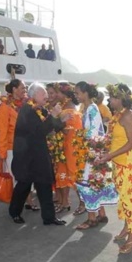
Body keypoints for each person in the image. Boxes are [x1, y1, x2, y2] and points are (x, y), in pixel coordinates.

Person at [8, 83, 66, 226]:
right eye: (43, 94)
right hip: (26, 158)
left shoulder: (40, 109)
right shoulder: (27, 109)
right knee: (23, 187)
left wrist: (61, 121)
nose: (46, 96)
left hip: (39, 155)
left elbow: (51, 125)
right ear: (34, 95)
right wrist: (53, 116)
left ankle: (49, 217)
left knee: (44, 186)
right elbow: (40, 130)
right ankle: (14, 212)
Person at [102, 84, 132, 253]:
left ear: (121, 99)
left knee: (130, 200)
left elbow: (130, 143)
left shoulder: (128, 116)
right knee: (124, 198)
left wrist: (109, 155)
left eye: (112, 97)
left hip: (128, 164)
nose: (109, 100)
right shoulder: (118, 114)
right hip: (118, 162)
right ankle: (127, 228)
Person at [74, 81, 119, 229]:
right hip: (92, 150)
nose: (76, 95)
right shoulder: (88, 108)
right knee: (95, 182)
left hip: (91, 151)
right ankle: (101, 214)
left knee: (88, 182)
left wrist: (79, 137)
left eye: (78, 93)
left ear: (86, 93)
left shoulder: (92, 109)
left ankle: (91, 218)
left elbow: (93, 133)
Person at [52, 82, 83, 212]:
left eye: (56, 92)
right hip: (61, 147)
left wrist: (56, 122)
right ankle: (65, 202)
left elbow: (66, 130)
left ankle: (83, 203)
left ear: (64, 94)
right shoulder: (63, 106)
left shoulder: (70, 110)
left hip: (71, 147)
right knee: (62, 174)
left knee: (74, 174)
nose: (54, 95)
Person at [0, 79, 26, 179]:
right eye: (23, 88)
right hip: (12, 150)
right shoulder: (4, 108)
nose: (25, 90)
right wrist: (2, 153)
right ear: (14, 89)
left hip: (27, 148)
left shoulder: (27, 104)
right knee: (17, 181)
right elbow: (2, 131)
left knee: (28, 182)